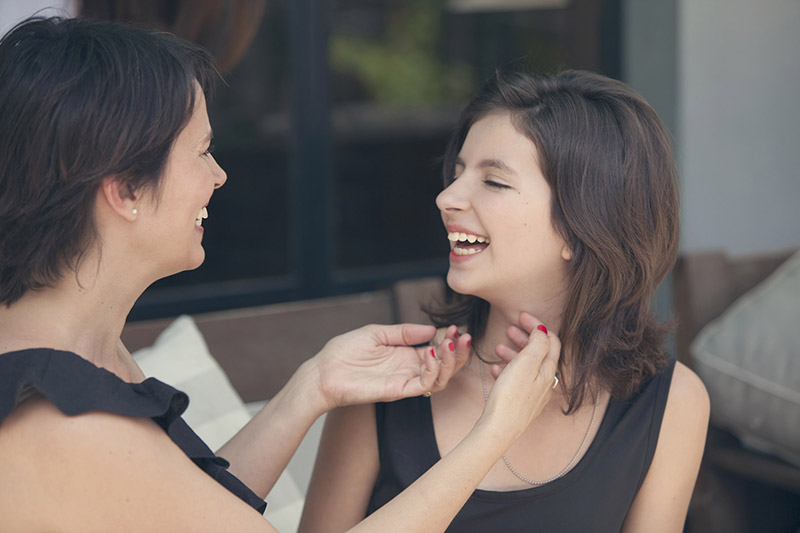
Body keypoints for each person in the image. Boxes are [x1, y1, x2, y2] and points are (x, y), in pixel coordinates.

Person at [0, 17, 563, 532]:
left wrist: (313, 386)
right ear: (124, 190)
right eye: (201, 152)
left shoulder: (83, 354)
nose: (218, 176)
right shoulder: (57, 413)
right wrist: (493, 434)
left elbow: (187, 512)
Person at [300, 70, 711, 532]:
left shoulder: (670, 402)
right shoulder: (387, 389)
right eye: (456, 173)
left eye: (493, 182)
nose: (446, 197)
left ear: (582, 227)